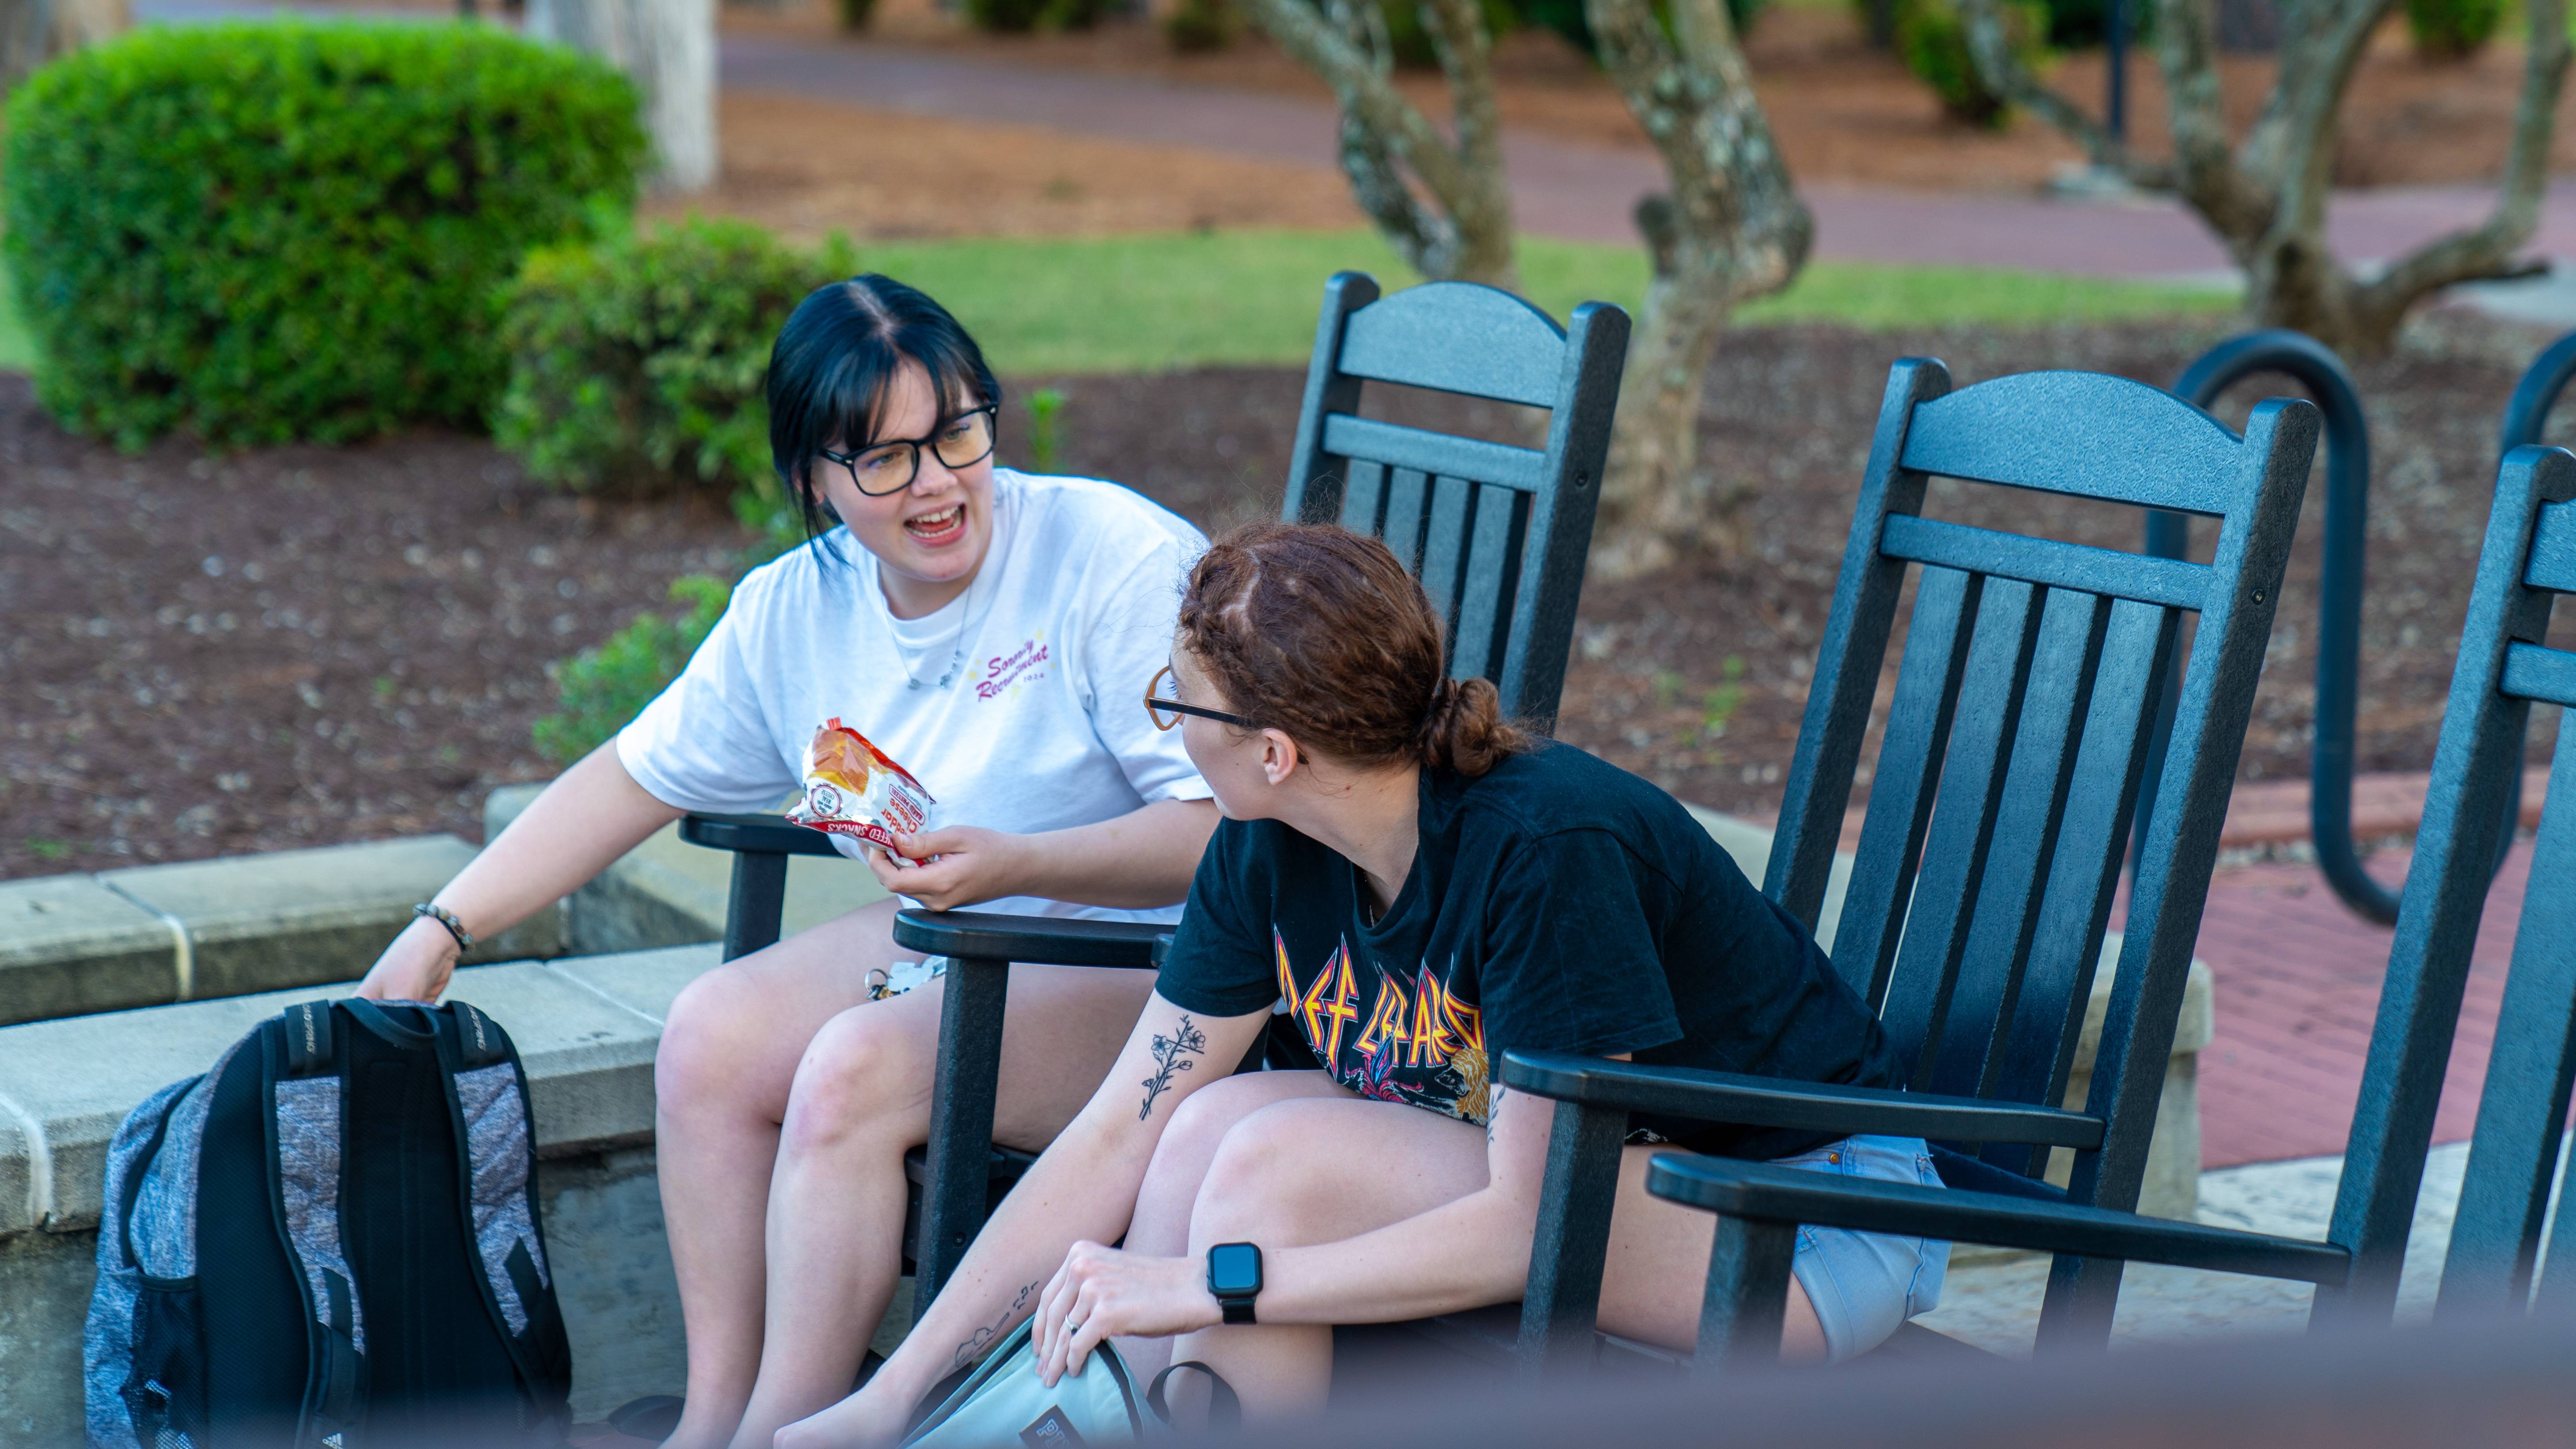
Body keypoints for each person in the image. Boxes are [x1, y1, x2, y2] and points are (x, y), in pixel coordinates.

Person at [782, 522, 1948, 1445]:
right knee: (1203, 1126)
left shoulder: (1546, 855)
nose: (1169, 724)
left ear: (1277, 749)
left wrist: (1207, 1285)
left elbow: (1524, 1230)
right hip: (1606, 1190)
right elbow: (1117, 1134)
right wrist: (896, 1401)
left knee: (1277, 1163)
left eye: (1175, 702)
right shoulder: (1268, 838)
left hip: (1802, 1219)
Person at [351, 275, 1220, 1449]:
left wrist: (1020, 859)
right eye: (884, 458)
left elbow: (1234, 830)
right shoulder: (794, 610)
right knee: (713, 1033)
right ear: (811, 474)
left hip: (1160, 966)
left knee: (855, 1068)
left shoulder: (1110, 559)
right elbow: (632, 775)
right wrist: (442, 928)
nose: (939, 483)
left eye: (959, 431)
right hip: (965, 937)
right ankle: (712, 1420)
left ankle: (785, 1432)